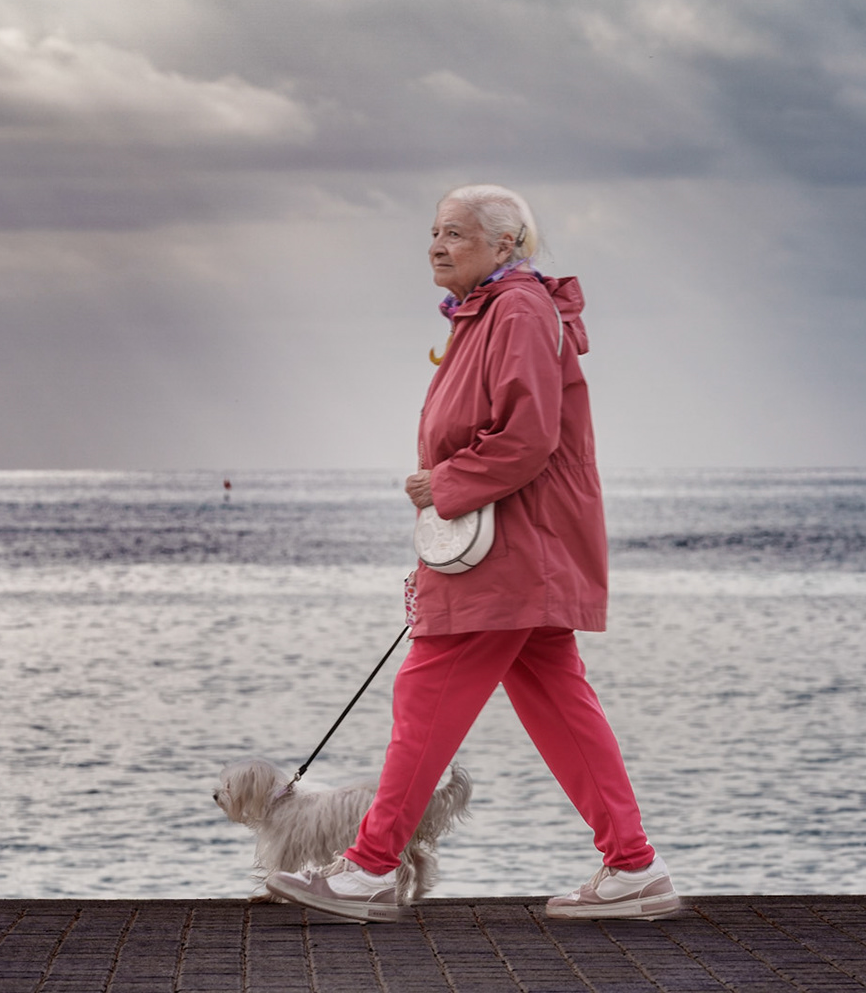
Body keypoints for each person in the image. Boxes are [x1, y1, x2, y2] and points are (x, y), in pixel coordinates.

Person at [265, 184, 677, 923]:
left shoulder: (515, 309)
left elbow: (526, 435)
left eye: (454, 233)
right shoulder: (496, 310)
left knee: (426, 694)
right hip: (523, 545)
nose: (436, 244)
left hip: (512, 547)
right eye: (434, 231)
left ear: (506, 243)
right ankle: (633, 866)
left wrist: (444, 484)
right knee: (559, 704)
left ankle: (367, 869)